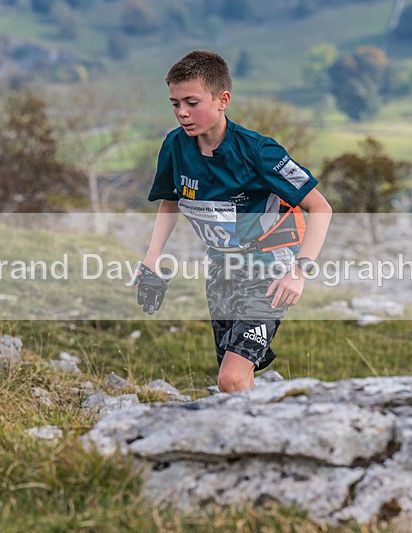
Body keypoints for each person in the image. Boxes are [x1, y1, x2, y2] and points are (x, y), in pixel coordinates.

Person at [136, 50, 332, 393]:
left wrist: (299, 271)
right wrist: (152, 258)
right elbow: (172, 201)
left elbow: (321, 208)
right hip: (221, 268)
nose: (182, 112)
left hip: (269, 267)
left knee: (230, 378)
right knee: (240, 379)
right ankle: (260, 439)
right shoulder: (174, 146)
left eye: (192, 102)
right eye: (175, 103)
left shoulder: (259, 151)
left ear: (222, 99)